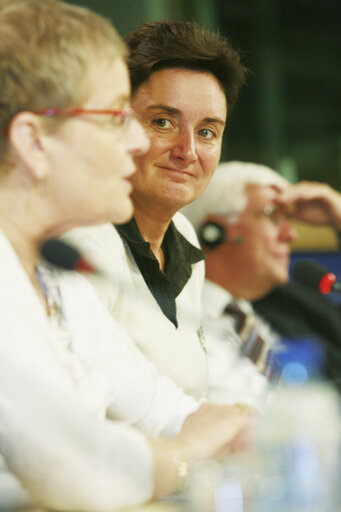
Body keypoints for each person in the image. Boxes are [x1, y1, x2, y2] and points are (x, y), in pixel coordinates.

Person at [0, 3, 252, 511]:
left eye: (207, 131)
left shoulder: (54, 276)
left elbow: (162, 405)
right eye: (117, 117)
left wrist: (225, 428)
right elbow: (81, 473)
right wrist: (184, 454)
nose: (138, 140)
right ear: (32, 140)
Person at [64, 19, 247, 399]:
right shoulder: (83, 238)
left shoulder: (183, 234)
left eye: (207, 132)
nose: (188, 151)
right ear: (117, 124)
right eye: (163, 122)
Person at [182, 161, 341, 406]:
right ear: (215, 231)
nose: (291, 234)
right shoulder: (175, 318)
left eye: (289, 219)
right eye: (273, 216)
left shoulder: (292, 306)